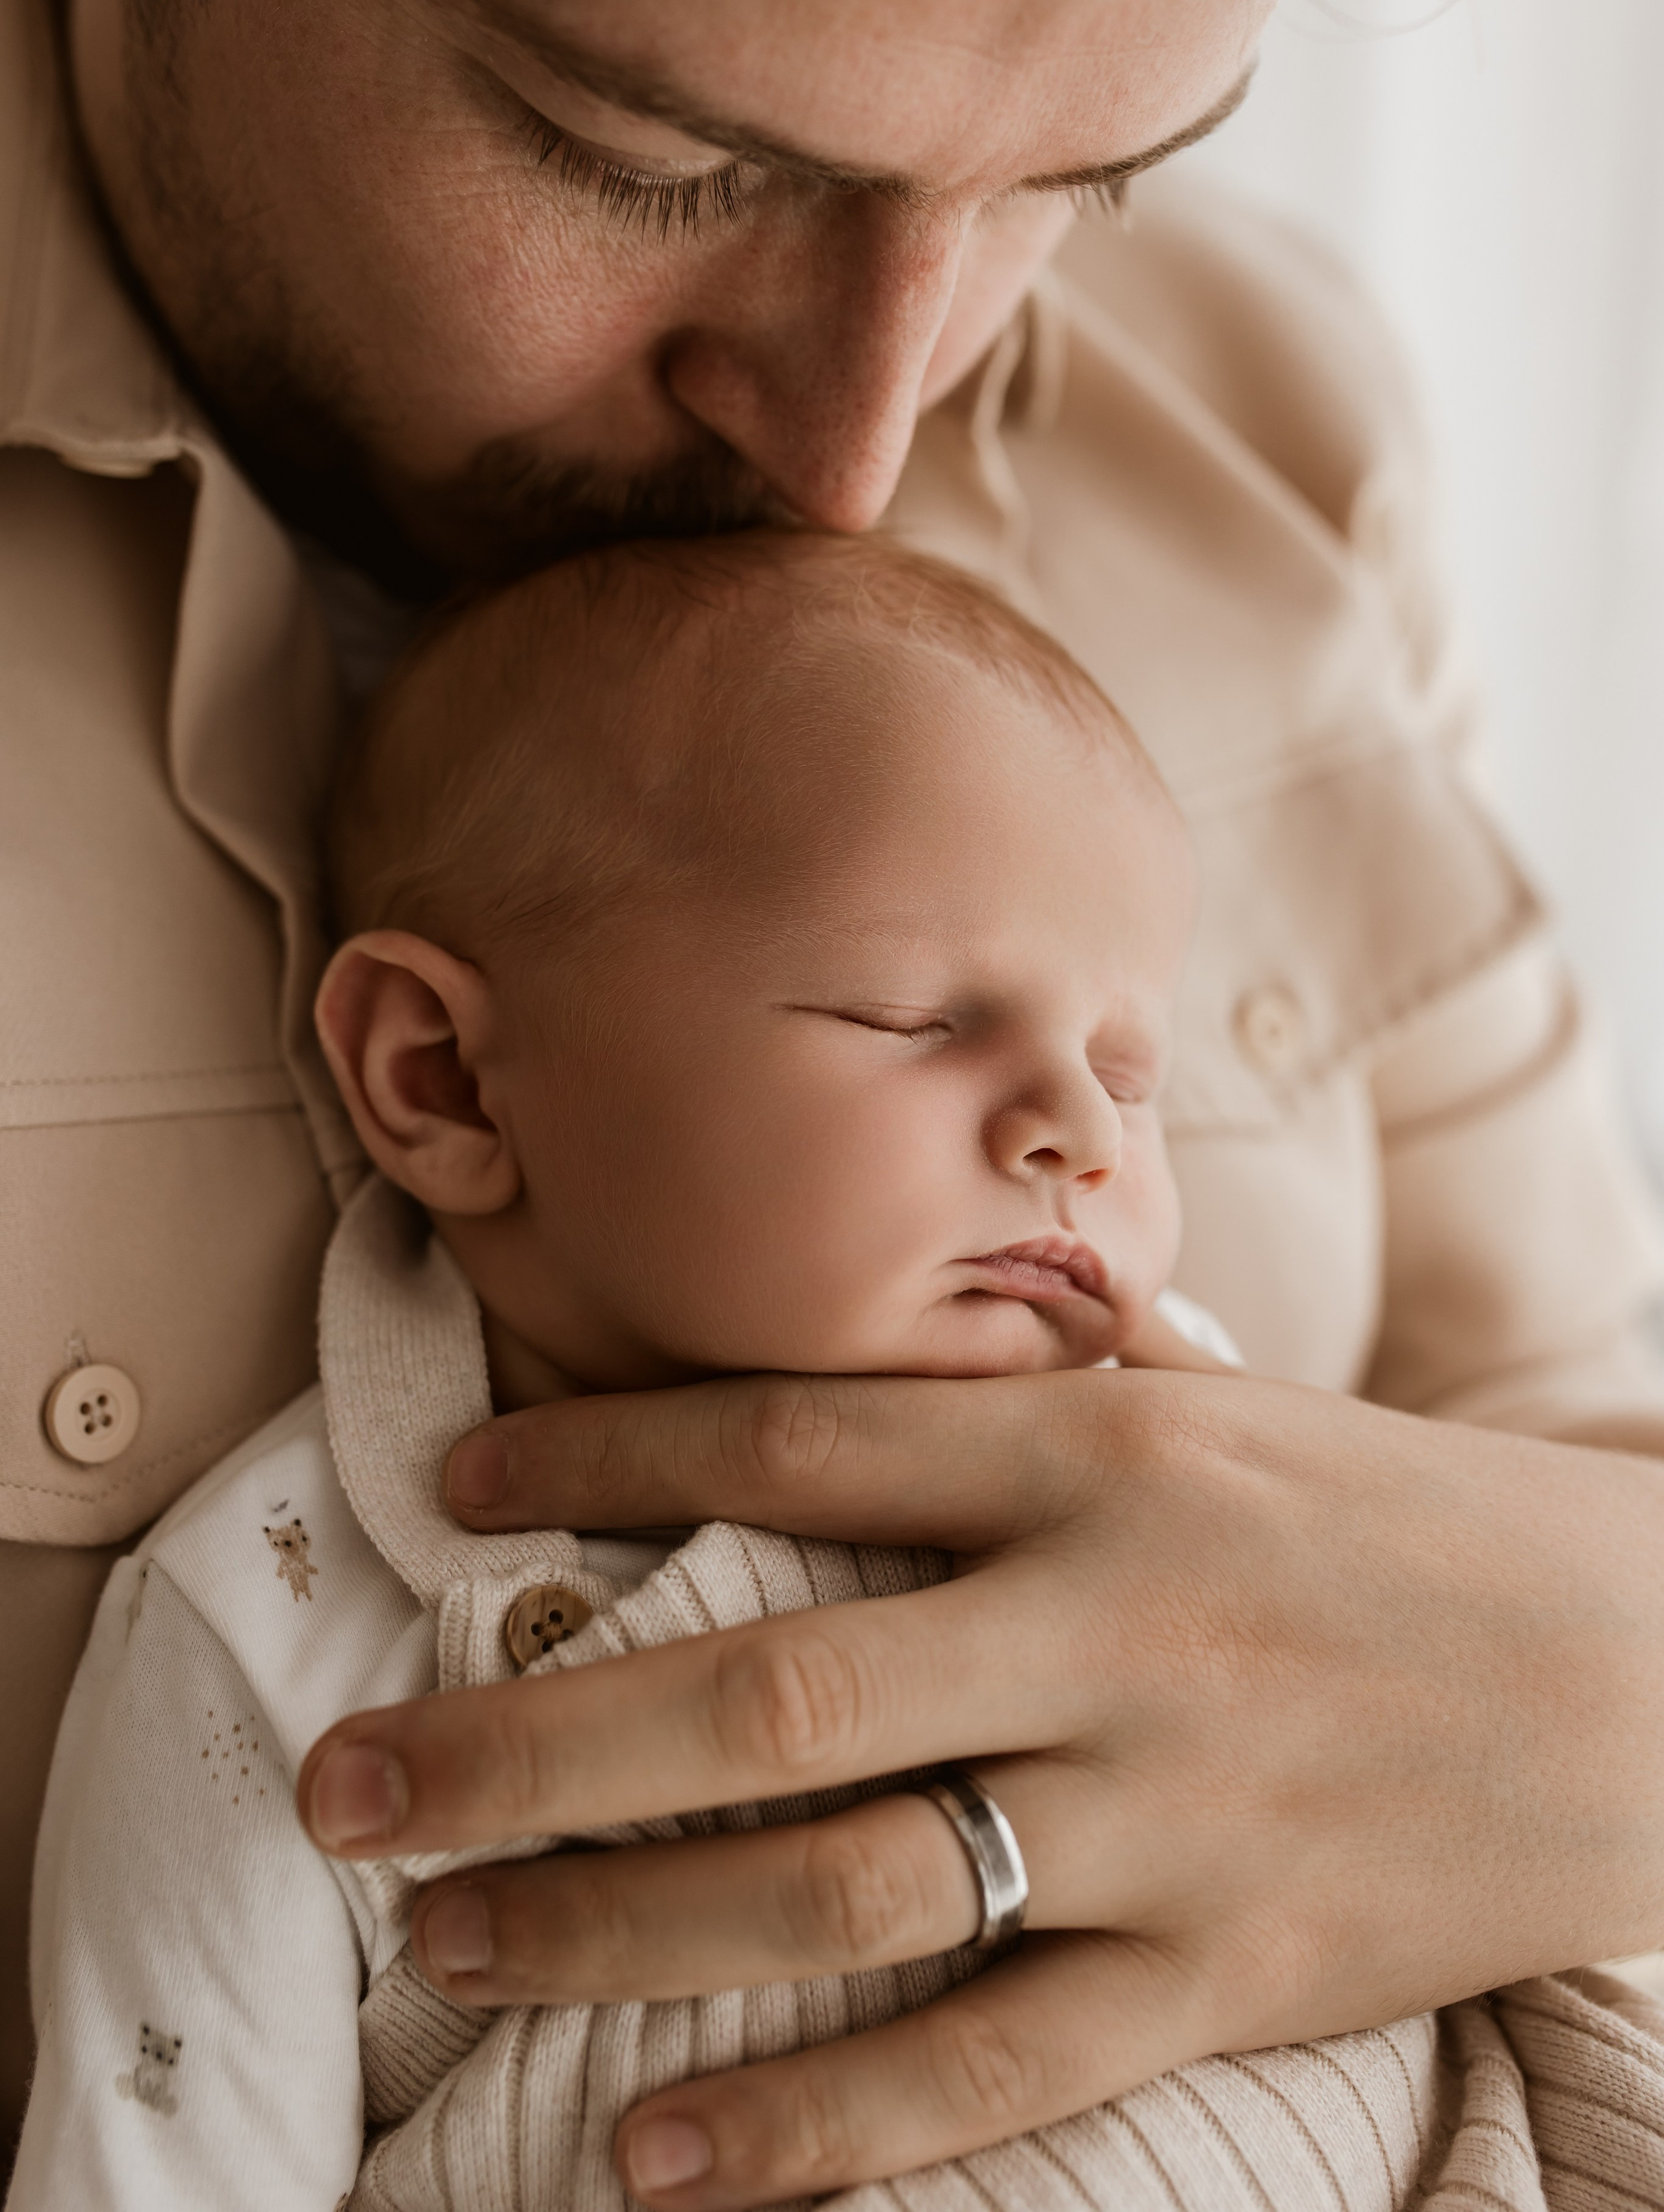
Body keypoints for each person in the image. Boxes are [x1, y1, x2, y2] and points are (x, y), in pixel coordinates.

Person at [5, 0, 1664, 2196]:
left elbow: (1587, 1439)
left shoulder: (1268, 437)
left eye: (1093, 174)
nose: (863, 451)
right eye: (647, 155)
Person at [14, 531, 1236, 2207]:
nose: (1084, 1132)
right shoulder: (280, 1632)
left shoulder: (1210, 1452)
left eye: (1129, 1065)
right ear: (444, 1078)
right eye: (910, 1017)